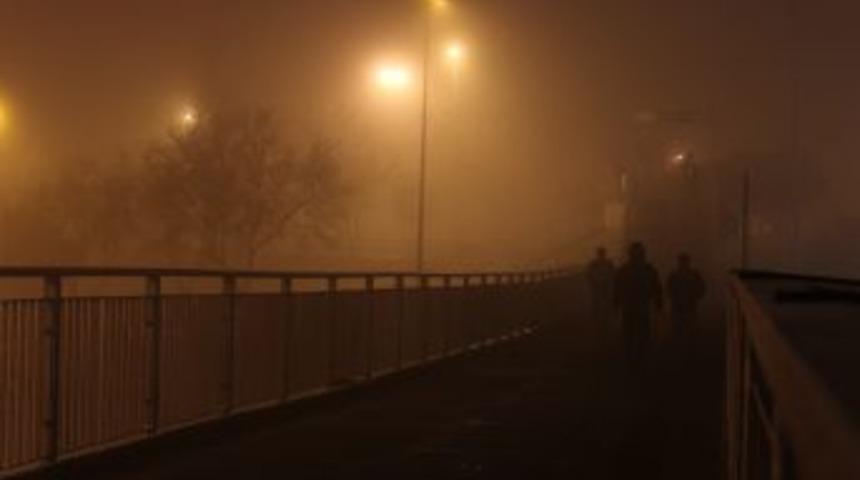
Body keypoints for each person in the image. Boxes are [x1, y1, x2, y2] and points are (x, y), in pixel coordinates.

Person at [614, 242, 662, 367]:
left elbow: (617, 289)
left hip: (634, 307)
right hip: (638, 307)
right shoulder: (647, 269)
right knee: (637, 334)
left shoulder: (624, 270)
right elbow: (656, 288)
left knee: (632, 334)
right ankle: (636, 358)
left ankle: (634, 358)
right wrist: (658, 304)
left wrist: (616, 303)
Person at [667, 253, 706, 336]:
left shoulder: (693, 274)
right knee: (679, 330)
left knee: (689, 330)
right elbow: (668, 290)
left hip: (689, 307)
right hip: (679, 308)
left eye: (684, 261)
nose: (683, 263)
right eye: (682, 261)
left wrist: (695, 295)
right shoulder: (674, 275)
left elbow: (701, 289)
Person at [586, 246, 615, 326]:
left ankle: (601, 317)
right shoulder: (598, 263)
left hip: (602, 284)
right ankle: (601, 316)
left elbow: (588, 274)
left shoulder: (606, 263)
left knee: (601, 300)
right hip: (600, 285)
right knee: (600, 300)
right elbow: (588, 274)